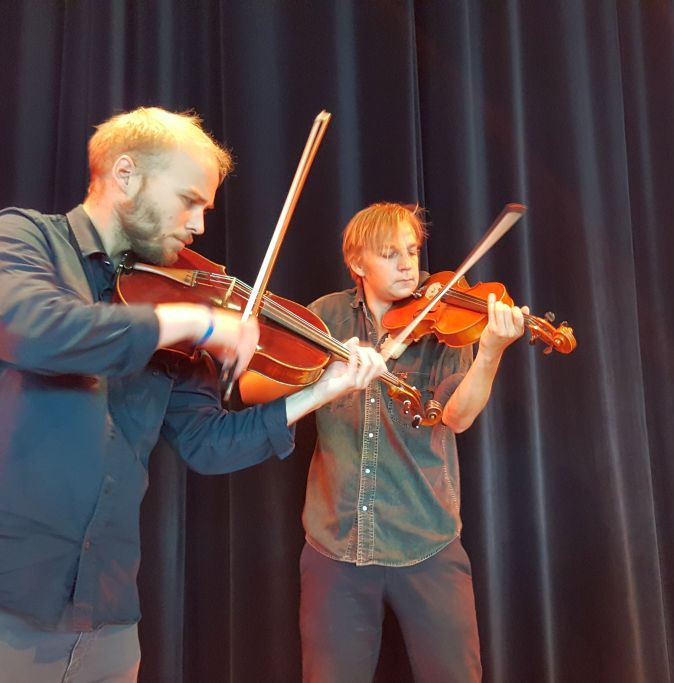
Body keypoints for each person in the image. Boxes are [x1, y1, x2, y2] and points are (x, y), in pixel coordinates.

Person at [0, 107, 386, 682]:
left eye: (205, 206)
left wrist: (322, 390)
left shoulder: (175, 304)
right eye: (189, 200)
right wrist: (191, 324)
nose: (199, 225)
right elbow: (31, 328)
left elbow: (209, 444)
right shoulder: (25, 238)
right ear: (125, 174)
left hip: (106, 613)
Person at [299, 202, 526, 682]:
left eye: (412, 250)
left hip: (428, 541)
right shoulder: (324, 317)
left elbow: (457, 417)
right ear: (358, 263)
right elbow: (271, 389)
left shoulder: (444, 323)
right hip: (334, 546)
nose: (408, 264)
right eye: (390, 253)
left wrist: (489, 353)